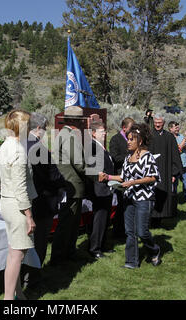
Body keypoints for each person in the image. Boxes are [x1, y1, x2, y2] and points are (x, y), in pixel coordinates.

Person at [100, 123, 161, 269]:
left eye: (131, 140)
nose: (128, 142)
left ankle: (154, 250)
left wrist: (133, 182)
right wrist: (107, 177)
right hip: (128, 198)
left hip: (143, 199)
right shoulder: (127, 158)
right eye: (127, 139)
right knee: (130, 232)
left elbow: (153, 177)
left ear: (139, 141)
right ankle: (131, 262)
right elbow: (123, 177)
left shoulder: (148, 157)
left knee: (142, 231)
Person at [0, 109, 37, 300]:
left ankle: (17, 293)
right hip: (17, 206)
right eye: (28, 125)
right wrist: (29, 216)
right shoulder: (18, 151)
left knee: (14, 252)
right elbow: (20, 188)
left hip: (6, 201)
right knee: (16, 255)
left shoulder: (5, 145)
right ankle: (8, 299)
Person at [22, 112, 65, 286]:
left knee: (25, 241)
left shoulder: (20, 145)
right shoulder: (39, 148)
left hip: (25, 200)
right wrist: (63, 184)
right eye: (45, 129)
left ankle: (22, 274)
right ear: (38, 128)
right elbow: (52, 175)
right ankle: (34, 275)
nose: (45, 132)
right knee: (39, 241)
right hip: (42, 200)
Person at [50, 106, 87, 265]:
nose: (81, 124)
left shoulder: (63, 134)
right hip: (71, 185)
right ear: (74, 121)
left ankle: (66, 254)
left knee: (69, 222)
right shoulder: (69, 136)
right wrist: (95, 174)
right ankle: (60, 257)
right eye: (80, 121)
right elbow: (79, 163)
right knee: (68, 223)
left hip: (69, 184)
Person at [86, 121, 115, 259]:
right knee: (99, 219)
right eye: (102, 131)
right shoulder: (92, 146)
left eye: (104, 131)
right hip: (100, 188)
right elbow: (94, 169)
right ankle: (95, 248)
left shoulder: (101, 146)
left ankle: (102, 244)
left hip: (107, 187)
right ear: (93, 133)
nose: (104, 133)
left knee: (105, 219)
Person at [148, 114, 182, 226]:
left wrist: (174, 173)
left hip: (164, 171)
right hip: (150, 171)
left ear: (163, 123)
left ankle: (160, 219)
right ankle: (149, 219)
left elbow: (175, 156)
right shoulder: (148, 135)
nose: (157, 124)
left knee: (163, 194)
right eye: (156, 122)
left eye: (160, 122)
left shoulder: (169, 137)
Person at [109, 117, 135, 238]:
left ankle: (128, 228)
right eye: (130, 128)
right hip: (120, 176)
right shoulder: (115, 139)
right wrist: (129, 158)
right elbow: (115, 157)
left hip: (132, 176)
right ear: (124, 128)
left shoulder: (133, 139)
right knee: (121, 205)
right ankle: (118, 231)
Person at [168, 121, 186, 203]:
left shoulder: (181, 136)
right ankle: (173, 198)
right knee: (174, 183)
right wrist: (185, 138)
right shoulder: (169, 137)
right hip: (175, 165)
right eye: (176, 127)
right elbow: (178, 149)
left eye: (178, 127)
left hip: (184, 163)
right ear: (170, 128)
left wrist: (185, 144)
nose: (177, 129)